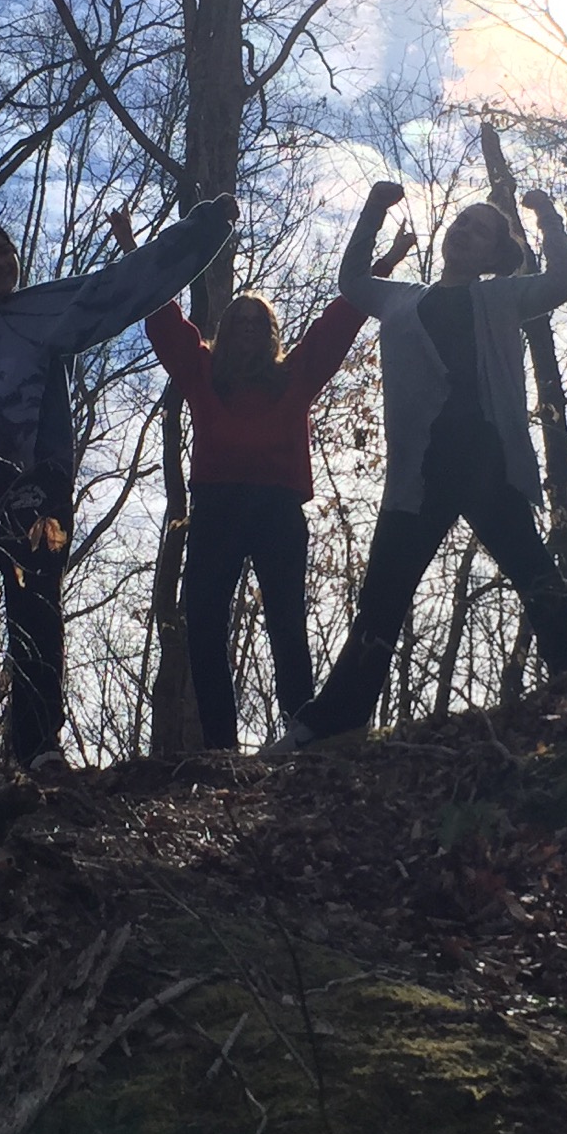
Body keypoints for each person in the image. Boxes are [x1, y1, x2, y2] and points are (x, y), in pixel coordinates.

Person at [0, 195, 236, 769]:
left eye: (3, 250)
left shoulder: (52, 308)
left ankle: (39, 748)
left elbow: (129, 283)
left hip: (37, 484)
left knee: (36, 608)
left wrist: (205, 226)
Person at [271, 180, 567, 749]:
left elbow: (564, 281)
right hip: (420, 472)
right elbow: (352, 282)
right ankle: (333, 722)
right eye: (462, 222)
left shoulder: (502, 297)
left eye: (480, 230)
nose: (464, 231)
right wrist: (372, 211)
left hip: (486, 462)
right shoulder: (401, 300)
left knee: (533, 570)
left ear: (494, 256)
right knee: (382, 595)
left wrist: (547, 217)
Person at [129, 208, 413, 752]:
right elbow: (162, 316)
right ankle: (220, 747)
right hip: (216, 508)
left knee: (286, 617)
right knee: (204, 620)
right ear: (224, 331)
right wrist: (132, 247)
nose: (247, 330)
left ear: (270, 335)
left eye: (257, 323)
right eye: (238, 322)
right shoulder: (201, 374)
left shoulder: (294, 375)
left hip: (277, 509)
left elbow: (339, 322)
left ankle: (301, 731)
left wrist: (386, 262)